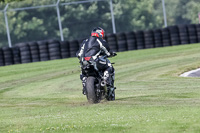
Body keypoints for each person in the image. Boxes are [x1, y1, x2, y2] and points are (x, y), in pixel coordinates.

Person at [76, 27, 116, 95]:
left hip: (84, 62)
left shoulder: (85, 41)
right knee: (109, 66)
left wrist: (83, 59)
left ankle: (84, 82)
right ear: (101, 34)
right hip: (95, 60)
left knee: (82, 72)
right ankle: (105, 80)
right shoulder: (100, 40)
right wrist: (111, 53)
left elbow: (79, 54)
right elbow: (107, 52)